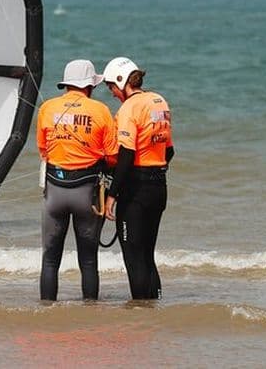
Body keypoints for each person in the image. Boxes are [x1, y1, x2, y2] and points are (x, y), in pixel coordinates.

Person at [36, 59, 118, 301]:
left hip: (55, 193)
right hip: (87, 194)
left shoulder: (47, 108)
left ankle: (46, 313)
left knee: (50, 259)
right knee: (89, 260)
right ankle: (90, 314)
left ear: (67, 84)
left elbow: (43, 149)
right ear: (90, 86)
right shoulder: (100, 111)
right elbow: (112, 157)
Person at [102, 57, 174, 300]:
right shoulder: (159, 101)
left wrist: (112, 195)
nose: (112, 93)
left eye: (111, 87)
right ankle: (154, 308)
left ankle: (141, 314)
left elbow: (126, 155)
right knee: (147, 255)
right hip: (158, 187)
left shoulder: (129, 108)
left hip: (136, 190)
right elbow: (169, 150)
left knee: (134, 258)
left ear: (122, 82)